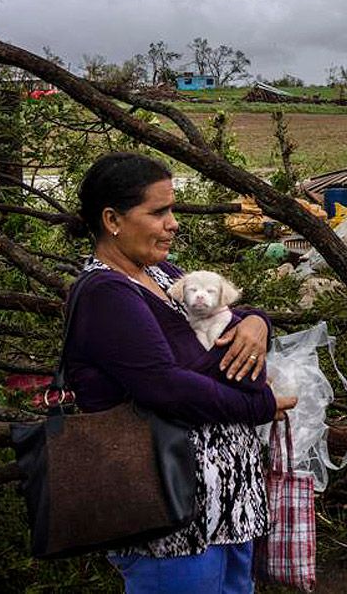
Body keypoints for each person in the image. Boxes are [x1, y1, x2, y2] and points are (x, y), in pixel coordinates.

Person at [63, 152, 296, 593]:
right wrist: (260, 404)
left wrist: (257, 321)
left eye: (172, 210)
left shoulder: (160, 272)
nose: (173, 223)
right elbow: (166, 388)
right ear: (112, 218)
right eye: (158, 211)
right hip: (170, 516)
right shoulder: (105, 293)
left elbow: (221, 316)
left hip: (224, 505)